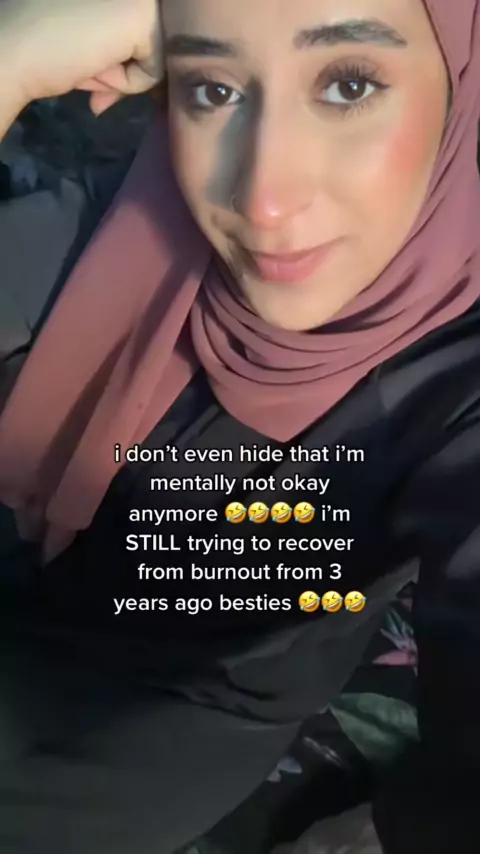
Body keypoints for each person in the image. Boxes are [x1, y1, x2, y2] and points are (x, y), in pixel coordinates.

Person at [0, 0, 479, 851]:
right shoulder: (132, 236)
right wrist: (10, 60)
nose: (262, 200)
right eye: (213, 89)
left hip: (166, 712)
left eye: (349, 84)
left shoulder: (457, 388)